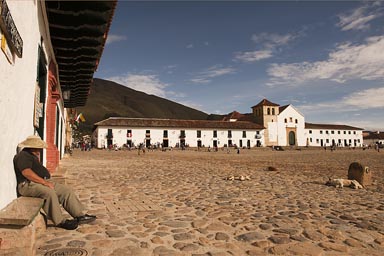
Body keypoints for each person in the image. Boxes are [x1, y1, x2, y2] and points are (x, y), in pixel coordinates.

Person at [13, 135, 96, 230]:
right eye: (38, 148)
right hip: (27, 185)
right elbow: (26, 173)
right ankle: (60, 221)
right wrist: (44, 182)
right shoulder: (23, 156)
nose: (40, 150)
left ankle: (79, 215)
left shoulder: (31, 155)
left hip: (38, 182)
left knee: (66, 191)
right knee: (49, 193)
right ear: (32, 147)